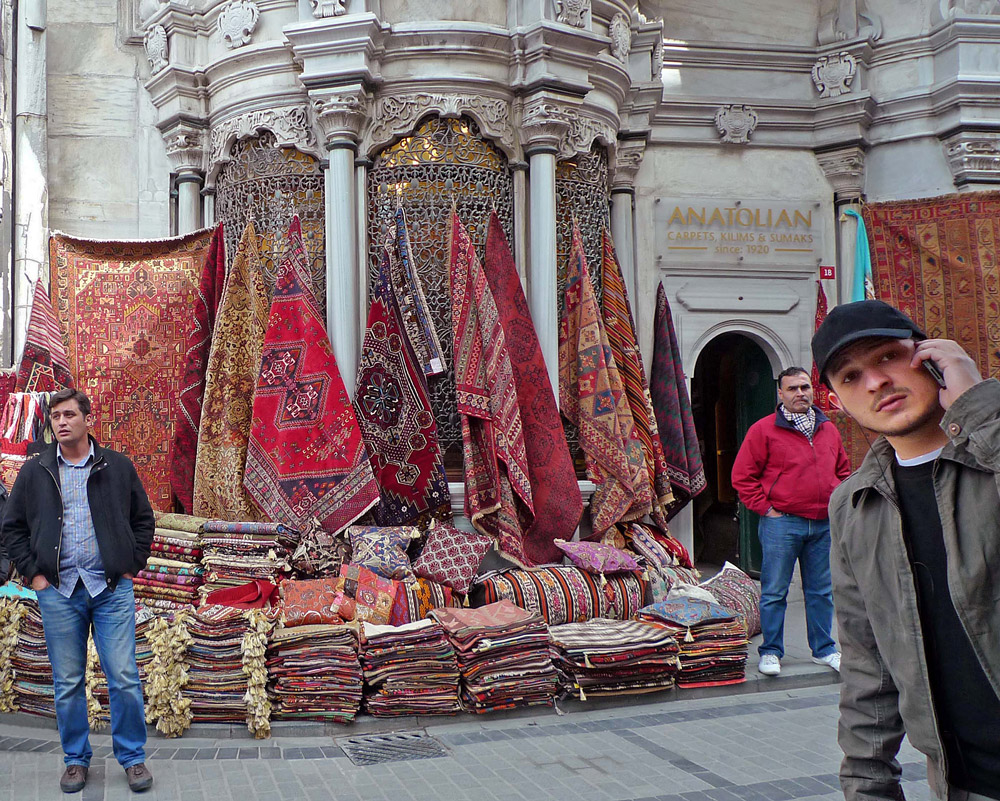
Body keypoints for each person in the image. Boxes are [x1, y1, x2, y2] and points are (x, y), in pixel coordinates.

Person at [813, 300, 1000, 801]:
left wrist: (978, 403)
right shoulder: (855, 505)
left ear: (933, 356)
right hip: (964, 783)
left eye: (888, 357)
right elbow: (865, 660)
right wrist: (867, 784)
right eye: (850, 377)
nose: (874, 382)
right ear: (836, 400)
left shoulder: (992, 442)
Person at [1, 388, 155, 794]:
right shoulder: (36, 472)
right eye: (55, 417)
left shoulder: (117, 467)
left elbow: (143, 519)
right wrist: (35, 577)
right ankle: (75, 760)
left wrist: (129, 565)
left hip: (109, 589)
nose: (61, 422)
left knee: (122, 676)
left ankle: (133, 758)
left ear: (88, 419)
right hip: (60, 592)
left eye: (69, 414)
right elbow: (12, 527)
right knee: (68, 680)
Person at [731, 365, 849, 677]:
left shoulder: (828, 429)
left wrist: (837, 502)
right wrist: (767, 510)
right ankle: (771, 651)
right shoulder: (763, 430)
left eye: (805, 387)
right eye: (793, 389)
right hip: (782, 523)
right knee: (774, 590)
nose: (800, 394)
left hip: (822, 524)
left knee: (821, 590)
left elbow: (843, 470)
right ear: (780, 394)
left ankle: (824, 649)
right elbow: (743, 477)